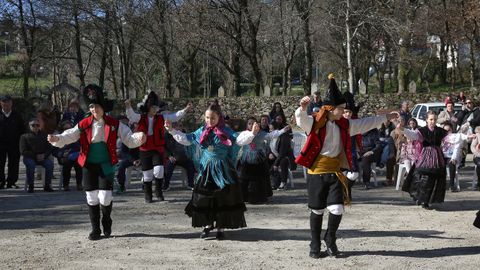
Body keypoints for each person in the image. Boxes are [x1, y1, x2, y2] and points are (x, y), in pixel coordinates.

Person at [295, 74, 399, 258]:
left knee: (337, 208)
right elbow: (302, 121)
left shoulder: (344, 125)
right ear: (330, 108)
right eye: (341, 108)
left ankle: (330, 239)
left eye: (344, 108)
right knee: (317, 210)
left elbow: (364, 123)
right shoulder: (315, 122)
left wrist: (385, 117)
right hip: (316, 172)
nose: (344, 111)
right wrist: (302, 109)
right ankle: (314, 245)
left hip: (335, 172)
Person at [48, 84, 146, 241]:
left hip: (106, 164)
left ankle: (106, 221)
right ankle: (95, 229)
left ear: (103, 107)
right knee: (91, 197)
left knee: (105, 197)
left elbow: (128, 138)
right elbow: (70, 135)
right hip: (88, 164)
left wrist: (139, 138)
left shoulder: (114, 123)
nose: (94, 110)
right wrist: (57, 139)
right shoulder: (84, 123)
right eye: (92, 107)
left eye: (97, 107)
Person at [165, 100, 258, 240]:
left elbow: (239, 140)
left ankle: (220, 227)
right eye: (207, 117)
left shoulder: (226, 131)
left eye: (212, 118)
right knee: (204, 198)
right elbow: (186, 139)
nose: (209, 120)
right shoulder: (201, 131)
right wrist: (171, 130)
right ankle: (208, 225)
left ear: (219, 117)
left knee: (223, 198)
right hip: (206, 169)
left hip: (223, 170)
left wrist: (251, 134)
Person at [125, 91, 191, 203]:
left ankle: (159, 192)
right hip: (145, 149)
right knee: (147, 174)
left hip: (157, 148)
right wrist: (128, 106)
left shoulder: (161, 118)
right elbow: (131, 115)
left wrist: (185, 110)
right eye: (153, 107)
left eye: (156, 107)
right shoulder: (140, 117)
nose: (155, 109)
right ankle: (148, 195)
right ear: (148, 107)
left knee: (159, 170)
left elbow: (175, 117)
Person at [399, 111, 472, 210]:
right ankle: (421, 199)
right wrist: (403, 129)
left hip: (437, 157)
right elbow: (412, 135)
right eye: (431, 119)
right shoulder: (422, 131)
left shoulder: (440, 131)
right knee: (422, 178)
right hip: (424, 157)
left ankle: (428, 200)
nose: (433, 121)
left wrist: (466, 136)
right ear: (426, 120)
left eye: (434, 119)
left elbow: (452, 137)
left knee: (434, 179)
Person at [238, 116, 290, 203]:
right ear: (247, 125)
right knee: (244, 178)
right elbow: (240, 141)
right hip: (246, 159)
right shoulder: (244, 134)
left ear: (257, 125)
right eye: (249, 123)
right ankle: (244, 197)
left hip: (259, 158)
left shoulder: (261, 133)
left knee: (260, 178)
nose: (251, 125)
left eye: (253, 123)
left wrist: (282, 131)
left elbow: (271, 135)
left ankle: (259, 196)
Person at [20, 119, 54, 193]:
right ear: (29, 126)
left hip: (42, 157)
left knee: (49, 164)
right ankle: (31, 186)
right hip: (30, 157)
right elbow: (23, 151)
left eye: (37, 125)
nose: (35, 127)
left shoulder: (45, 135)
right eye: (33, 125)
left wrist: (44, 155)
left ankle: (47, 186)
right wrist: (35, 156)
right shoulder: (24, 136)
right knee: (31, 165)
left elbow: (49, 148)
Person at [0, 95, 25, 189]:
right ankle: (0, 181)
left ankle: (12, 182)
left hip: (14, 143)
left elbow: (22, 130)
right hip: (0, 144)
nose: (6, 104)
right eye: (4, 102)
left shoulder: (17, 115)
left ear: (11, 103)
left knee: (14, 163)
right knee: (0, 163)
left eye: (8, 102)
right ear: (1, 103)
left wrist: (22, 144)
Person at [163, 122, 195, 191]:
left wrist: (190, 155)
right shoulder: (167, 135)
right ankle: (166, 185)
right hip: (173, 157)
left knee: (191, 165)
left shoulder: (185, 135)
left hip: (184, 157)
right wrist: (169, 156)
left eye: (180, 126)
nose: (178, 128)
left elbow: (190, 146)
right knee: (168, 167)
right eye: (176, 126)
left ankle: (191, 184)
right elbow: (164, 148)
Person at [54, 121, 83, 191]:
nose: (67, 130)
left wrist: (79, 151)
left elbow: (81, 147)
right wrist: (62, 154)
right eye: (65, 128)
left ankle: (79, 184)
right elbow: (54, 150)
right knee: (67, 165)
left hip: (75, 155)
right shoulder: (58, 137)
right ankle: (66, 185)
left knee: (79, 164)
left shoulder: (76, 136)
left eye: (69, 128)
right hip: (63, 156)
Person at [270, 115, 295, 190]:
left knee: (282, 162)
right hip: (275, 155)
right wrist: (269, 154)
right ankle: (270, 183)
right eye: (269, 129)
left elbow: (282, 153)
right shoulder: (271, 136)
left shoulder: (284, 137)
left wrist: (276, 164)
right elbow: (269, 147)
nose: (270, 131)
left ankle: (283, 182)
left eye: (272, 129)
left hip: (285, 156)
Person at [441, 122, 462, 192]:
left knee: (452, 164)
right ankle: (441, 184)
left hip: (452, 156)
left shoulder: (455, 137)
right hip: (443, 155)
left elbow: (457, 148)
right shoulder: (441, 137)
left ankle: (451, 185)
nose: (447, 132)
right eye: (445, 130)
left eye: (449, 130)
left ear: (452, 130)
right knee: (440, 164)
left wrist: (453, 157)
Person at [469, 126, 480, 191]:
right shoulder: (477, 135)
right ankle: (479, 183)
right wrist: (478, 154)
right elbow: (472, 147)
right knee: (479, 164)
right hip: (477, 156)